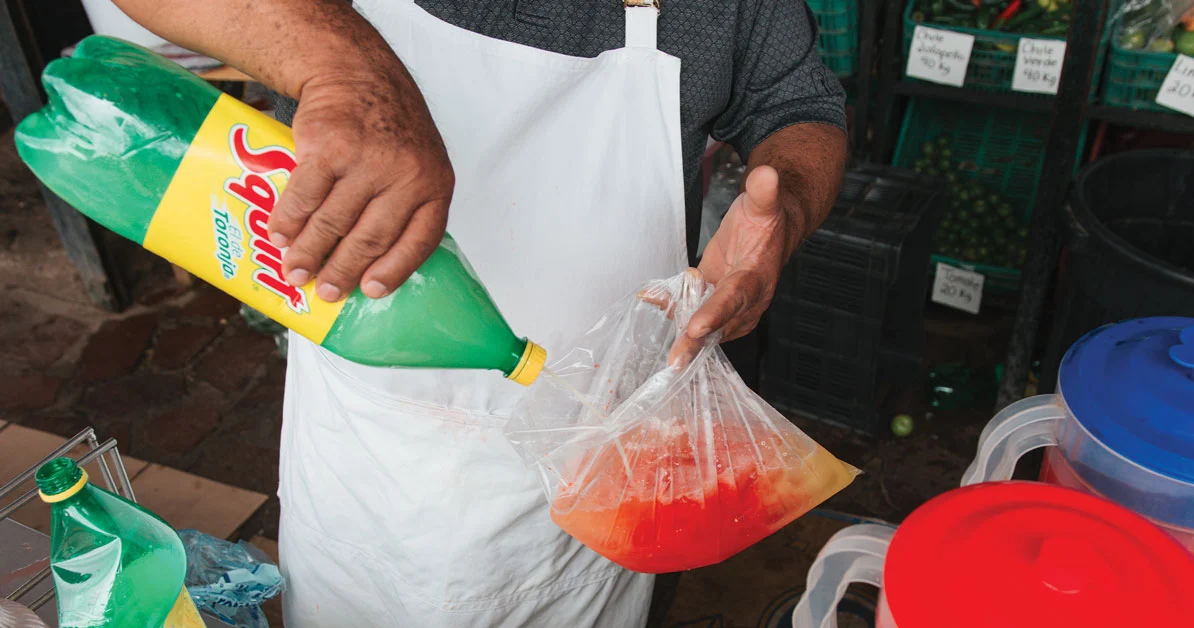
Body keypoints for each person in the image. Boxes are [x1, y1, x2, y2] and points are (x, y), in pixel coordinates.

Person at [113, 0, 847, 625]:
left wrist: (780, 215)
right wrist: (346, 69)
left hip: (603, 454)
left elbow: (798, 105)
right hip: (372, 450)